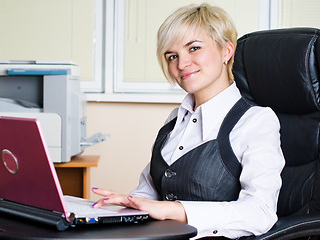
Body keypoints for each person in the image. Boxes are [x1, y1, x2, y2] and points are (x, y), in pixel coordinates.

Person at [92, 3, 285, 239]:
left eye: (194, 48)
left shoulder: (256, 121)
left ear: (226, 51)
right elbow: (148, 194)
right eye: (172, 56)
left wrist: (174, 210)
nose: (181, 64)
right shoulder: (175, 119)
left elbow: (260, 213)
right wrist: (120, 208)